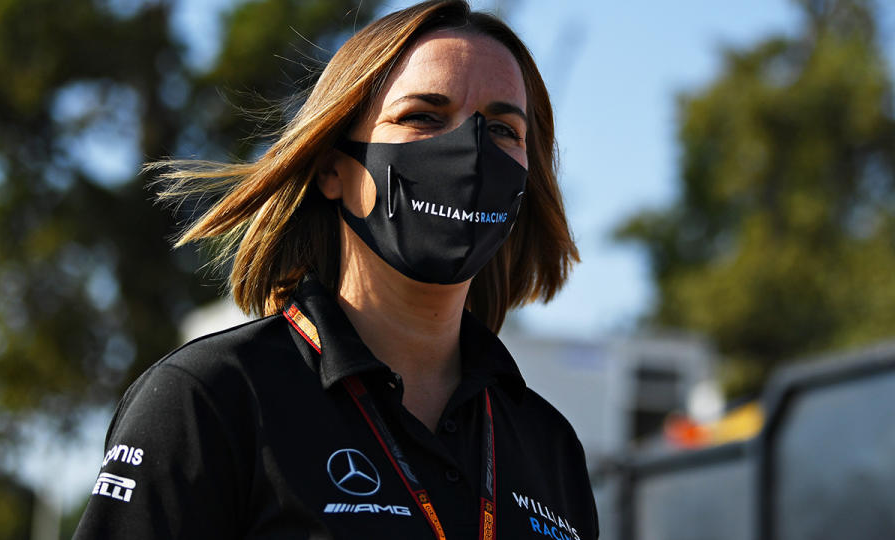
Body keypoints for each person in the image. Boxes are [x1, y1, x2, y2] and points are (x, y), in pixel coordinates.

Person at [74, 1, 597, 538]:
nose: (470, 152)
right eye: (423, 117)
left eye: (504, 130)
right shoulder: (209, 398)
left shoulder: (549, 447)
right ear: (331, 169)